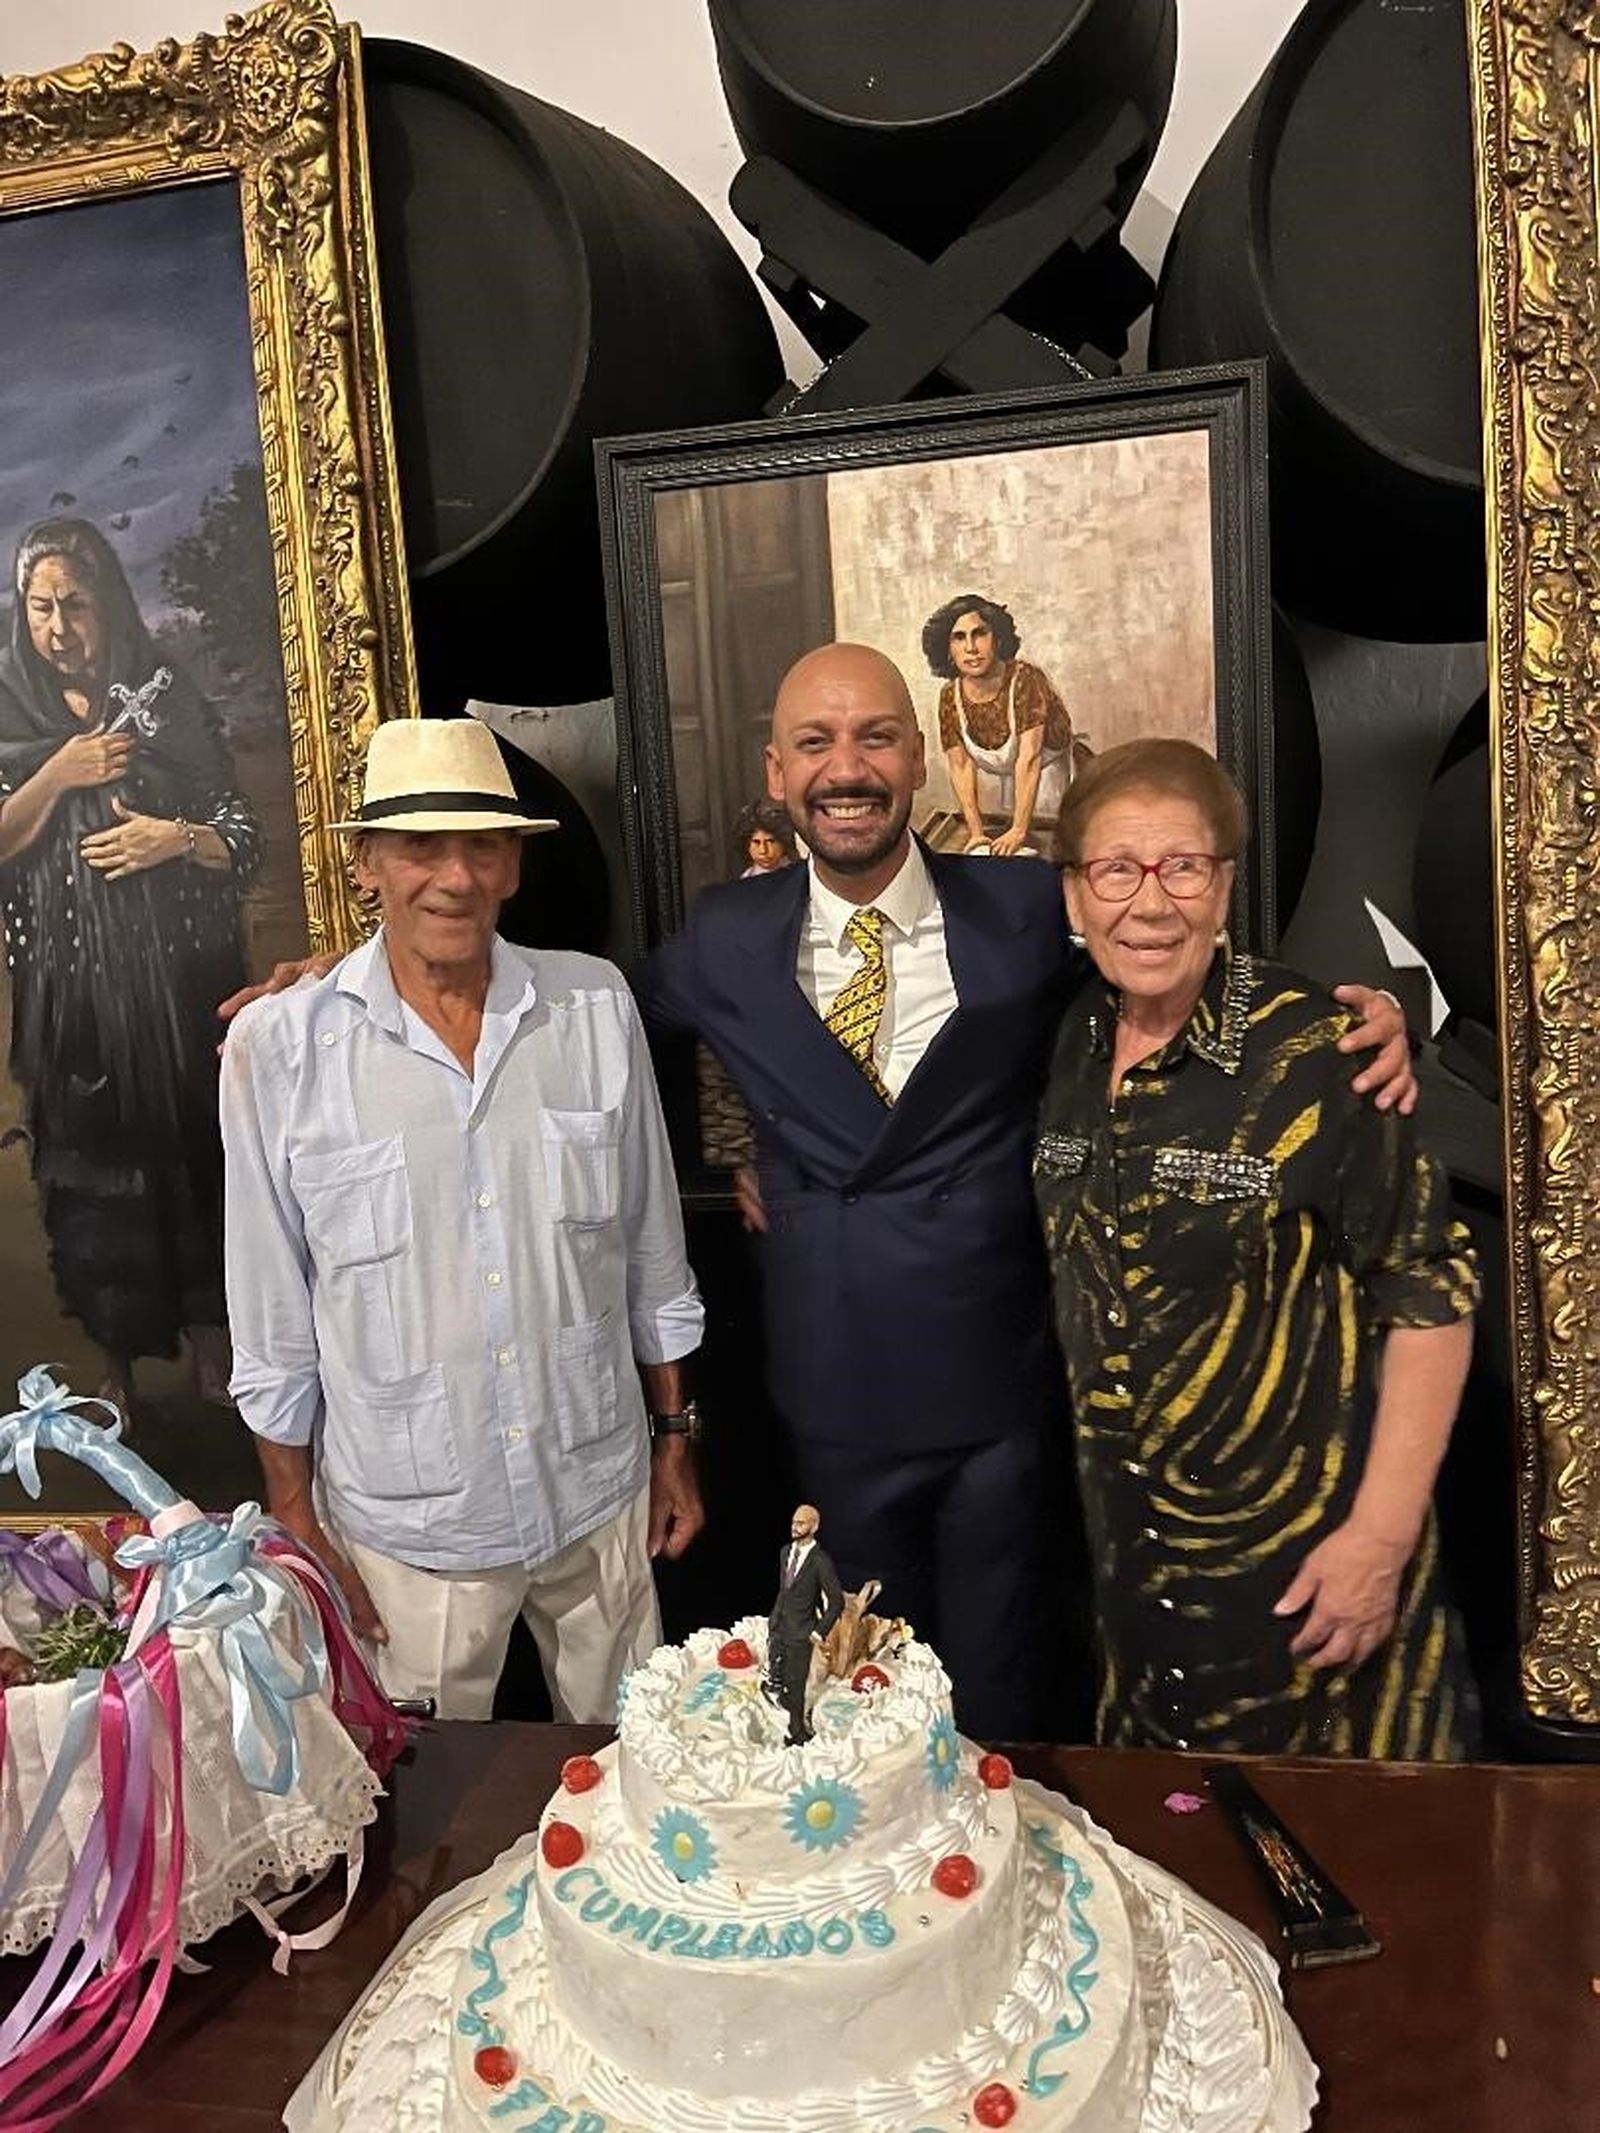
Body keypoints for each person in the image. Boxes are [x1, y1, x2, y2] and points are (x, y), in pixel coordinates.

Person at [636, 642, 1415, 1740]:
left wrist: (1370, 1019)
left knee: (1008, 1700)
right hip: (834, 1383)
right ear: (775, 771)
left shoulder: (1015, 906)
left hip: (1003, 1387)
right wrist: (356, 967)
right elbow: (591, 1011)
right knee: (863, 1715)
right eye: (815, 742)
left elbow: (1170, 954)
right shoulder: (722, 937)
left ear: (918, 760)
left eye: (873, 739)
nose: (843, 767)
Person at [219, 718, 706, 1723]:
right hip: (409, 1525)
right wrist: (297, 1513)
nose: (454, 877)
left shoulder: (594, 1008)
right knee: (430, 1817)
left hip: (596, 1488)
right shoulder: (281, 1048)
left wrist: (672, 1442)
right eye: (418, 847)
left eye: (481, 845)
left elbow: (654, 1259)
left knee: (633, 1780)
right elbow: (271, 1317)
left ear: (515, 866)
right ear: (365, 866)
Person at [1036, 738, 1480, 1757]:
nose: (1150, 903)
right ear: (1073, 896)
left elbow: (1430, 1296)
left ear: (1224, 881)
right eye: (1116, 869)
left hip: (1311, 1594)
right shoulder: (1071, 1044)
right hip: (1138, 1608)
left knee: (1374, 1892)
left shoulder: (1324, 1052)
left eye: (1182, 866)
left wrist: (1378, 1540)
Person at [0, 515, 258, 1417]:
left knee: (192, 1157)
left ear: (107, 602)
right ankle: (115, 1360)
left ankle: (212, 1344)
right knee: (89, 1168)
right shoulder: (8, 712)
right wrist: (60, 775)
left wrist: (172, 840)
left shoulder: (165, 700)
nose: (59, 626)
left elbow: (244, 836)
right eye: (40, 608)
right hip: (70, 997)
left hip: (177, 990)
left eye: (75, 603)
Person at [921, 592, 1076, 857]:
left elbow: (1030, 758)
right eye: (959, 638)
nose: (971, 647)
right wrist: (977, 832)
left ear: (997, 637)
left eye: (979, 634)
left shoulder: (1026, 679)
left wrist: (1018, 830)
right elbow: (961, 765)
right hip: (1003, 792)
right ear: (947, 649)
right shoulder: (950, 696)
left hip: (1047, 780)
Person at [767, 1502, 843, 1745]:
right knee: (775, 1681)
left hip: (802, 1632)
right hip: (779, 1626)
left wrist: (819, 1632)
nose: (794, 1527)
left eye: (800, 1523)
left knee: (795, 1684)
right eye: (793, 1522)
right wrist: (774, 1618)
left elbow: (837, 1601)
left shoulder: (820, 1561)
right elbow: (784, 1590)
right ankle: (778, 1723)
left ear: (814, 1526)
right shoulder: (785, 1552)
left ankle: (797, 1731)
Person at [733, 796, 798, 878]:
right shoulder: (746, 879)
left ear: (783, 841)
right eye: (756, 842)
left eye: (770, 841)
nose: (763, 850)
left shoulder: (798, 874)